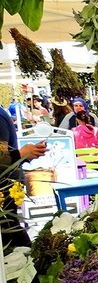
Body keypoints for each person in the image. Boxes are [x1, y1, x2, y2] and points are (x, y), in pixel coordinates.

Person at [0, 105, 47, 248]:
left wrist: (21, 154)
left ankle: (33, 263)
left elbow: (2, 156)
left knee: (9, 231)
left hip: (6, 183)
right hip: (9, 180)